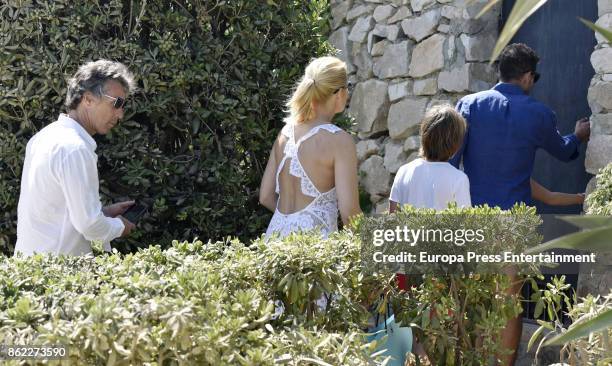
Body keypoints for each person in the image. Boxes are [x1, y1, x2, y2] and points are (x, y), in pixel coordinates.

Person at [449, 43, 591, 366]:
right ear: (527, 76)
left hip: (474, 222)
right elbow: (565, 152)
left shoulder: (468, 105)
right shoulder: (539, 114)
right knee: (509, 303)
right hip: (514, 225)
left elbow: (452, 162)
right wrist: (579, 135)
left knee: (475, 300)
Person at [15, 60, 137, 256]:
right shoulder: (75, 148)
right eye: (117, 103)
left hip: (31, 270)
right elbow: (90, 226)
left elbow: (56, 215)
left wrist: (104, 214)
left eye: (123, 105)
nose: (120, 114)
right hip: (56, 276)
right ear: (88, 99)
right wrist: (119, 226)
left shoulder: (43, 137)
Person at [259, 56, 361, 240]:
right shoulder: (339, 141)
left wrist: (292, 222)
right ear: (339, 93)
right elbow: (349, 213)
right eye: (348, 86)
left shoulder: (285, 133)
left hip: (274, 241)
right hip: (314, 248)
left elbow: (265, 196)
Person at [390, 104, 470, 213]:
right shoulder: (458, 179)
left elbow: (392, 218)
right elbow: (465, 225)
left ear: (424, 134)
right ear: (456, 144)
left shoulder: (404, 171)